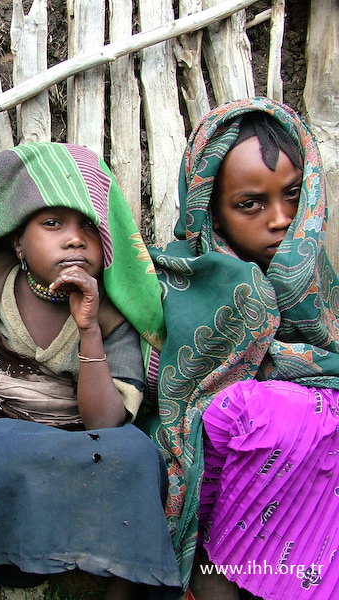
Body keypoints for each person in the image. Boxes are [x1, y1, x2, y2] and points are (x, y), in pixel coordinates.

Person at [0, 142, 181, 599]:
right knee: (11, 450)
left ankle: (121, 588)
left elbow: (105, 423)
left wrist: (89, 329)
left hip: (80, 428)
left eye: (89, 229)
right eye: (52, 224)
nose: (74, 239)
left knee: (136, 454)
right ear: (17, 242)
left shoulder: (113, 316)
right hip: (2, 425)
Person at [148, 97, 339, 600]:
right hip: (216, 485)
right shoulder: (173, 281)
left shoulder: (322, 291)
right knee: (265, 410)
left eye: (295, 194)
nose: (280, 218)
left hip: (302, 488)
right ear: (209, 203)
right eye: (250, 204)